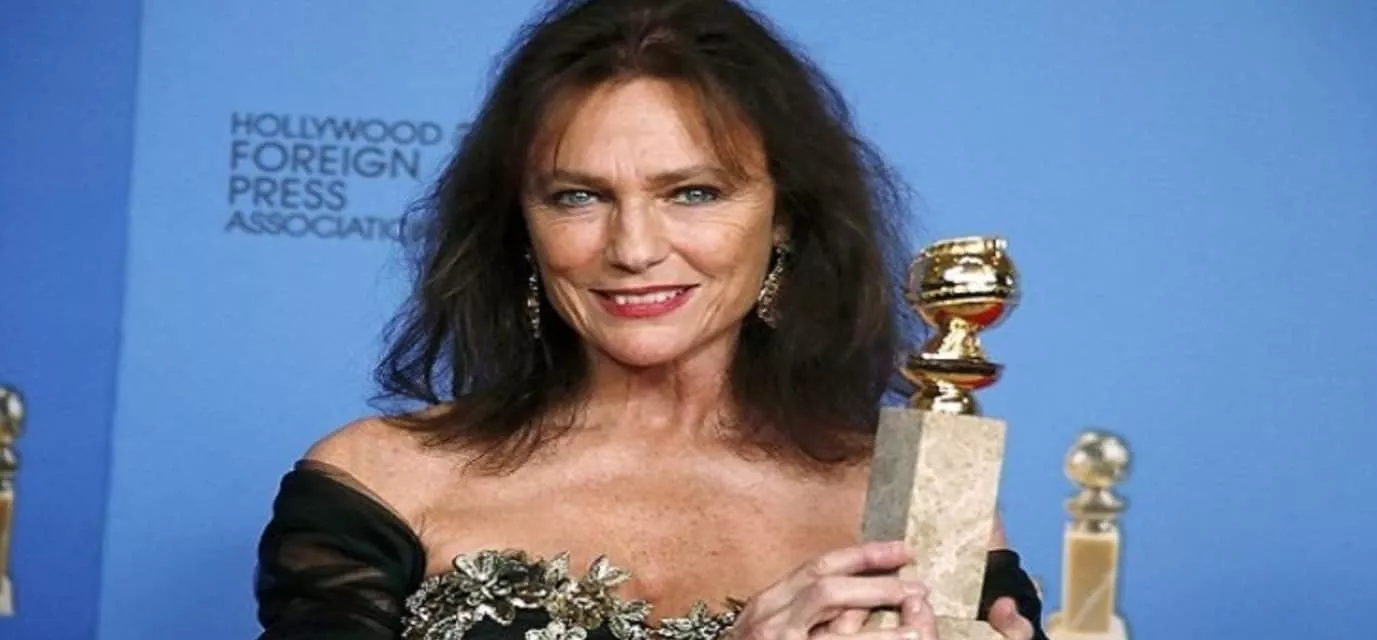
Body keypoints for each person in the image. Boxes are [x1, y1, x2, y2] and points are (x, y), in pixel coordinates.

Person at [254, 1, 1046, 639]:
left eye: (692, 193)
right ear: (521, 224)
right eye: (578, 196)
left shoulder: (908, 505)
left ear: (783, 218)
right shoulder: (384, 484)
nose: (632, 249)